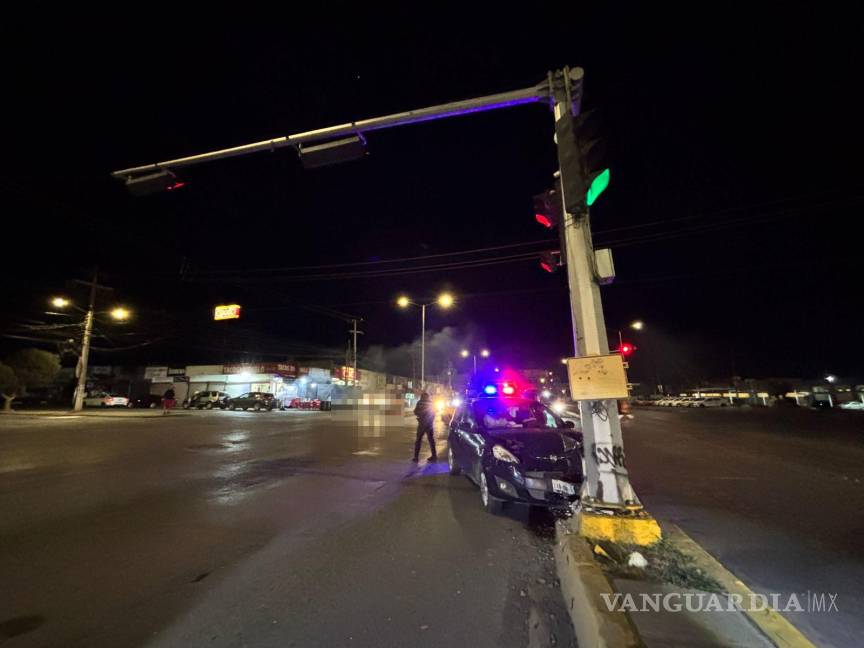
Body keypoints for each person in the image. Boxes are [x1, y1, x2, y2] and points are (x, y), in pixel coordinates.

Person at [412, 392, 437, 462]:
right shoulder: (431, 403)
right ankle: (434, 456)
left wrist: (420, 415)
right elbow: (434, 413)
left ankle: (416, 457)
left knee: (418, 441)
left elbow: (415, 412)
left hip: (422, 424)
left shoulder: (420, 403)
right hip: (429, 425)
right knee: (431, 441)